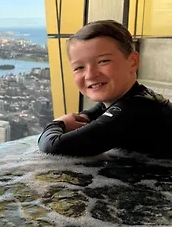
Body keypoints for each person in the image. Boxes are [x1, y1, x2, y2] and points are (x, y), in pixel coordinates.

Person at [38, 20, 172, 157]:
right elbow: (91, 115)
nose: (90, 74)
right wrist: (79, 119)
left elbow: (54, 146)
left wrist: (58, 124)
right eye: (79, 67)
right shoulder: (133, 99)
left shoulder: (135, 110)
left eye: (103, 61)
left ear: (133, 62)